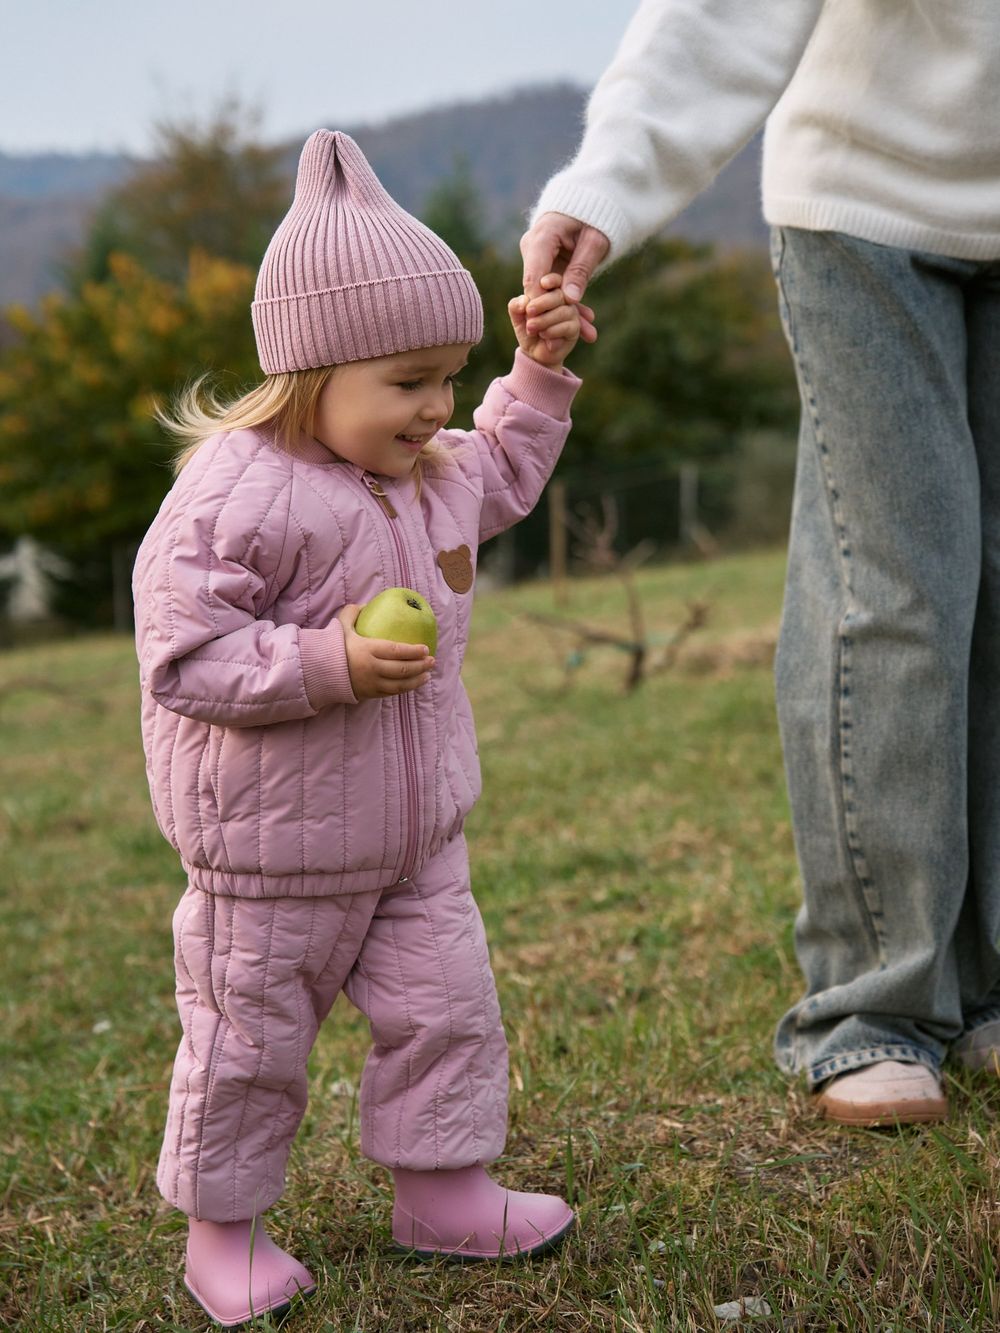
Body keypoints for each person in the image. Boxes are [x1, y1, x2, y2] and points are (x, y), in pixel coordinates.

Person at [133, 129, 589, 1329]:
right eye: (408, 380)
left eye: (449, 376)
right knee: (246, 1047)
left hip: (412, 840)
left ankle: (443, 1192)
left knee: (448, 1016)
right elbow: (184, 655)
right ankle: (223, 1236)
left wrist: (535, 373)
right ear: (311, 372)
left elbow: (502, 471)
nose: (436, 406)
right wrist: (325, 662)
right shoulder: (235, 494)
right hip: (269, 855)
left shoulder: (428, 468)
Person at [521, 0, 1000, 1128]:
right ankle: (872, 1007)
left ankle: (986, 991)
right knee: (899, 593)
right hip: (865, 205)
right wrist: (606, 181)